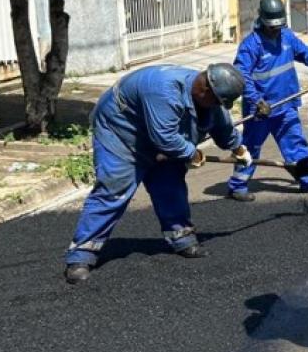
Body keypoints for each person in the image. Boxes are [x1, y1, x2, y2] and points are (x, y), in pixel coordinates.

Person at [63, 63, 253, 284]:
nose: (218, 106)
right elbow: (164, 137)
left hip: (161, 137)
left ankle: (181, 238)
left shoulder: (208, 96)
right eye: (217, 101)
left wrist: (237, 148)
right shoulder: (163, 90)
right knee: (114, 191)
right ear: (206, 90)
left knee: (170, 184)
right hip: (121, 134)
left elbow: (221, 124)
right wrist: (191, 153)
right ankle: (81, 255)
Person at [227, 0, 308, 202]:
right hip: (260, 110)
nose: (275, 30)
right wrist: (256, 101)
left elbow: (306, 54)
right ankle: (237, 185)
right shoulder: (251, 45)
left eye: (278, 26)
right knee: (250, 148)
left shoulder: (287, 37)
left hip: (285, 106)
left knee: (296, 145)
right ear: (262, 21)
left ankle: (307, 181)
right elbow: (241, 75)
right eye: (272, 26)